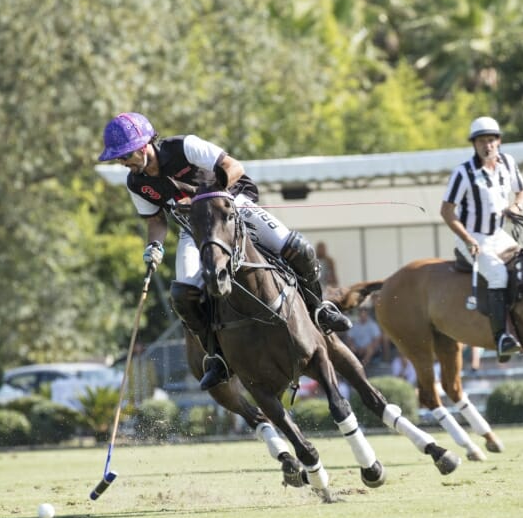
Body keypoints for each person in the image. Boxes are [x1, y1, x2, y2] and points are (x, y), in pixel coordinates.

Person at [98, 112, 351, 390]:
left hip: (230, 208)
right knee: (182, 294)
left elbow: (233, 166)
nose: (123, 163)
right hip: (193, 231)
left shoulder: (184, 147)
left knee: (297, 247)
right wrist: (154, 246)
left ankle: (320, 310)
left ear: (144, 145)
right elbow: (156, 221)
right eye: (119, 158)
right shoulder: (137, 184)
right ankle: (216, 355)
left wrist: (207, 198)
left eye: (125, 155)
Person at [440, 116, 523, 363]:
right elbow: (447, 211)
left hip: (499, 236)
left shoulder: (508, 163)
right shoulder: (463, 173)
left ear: (499, 141)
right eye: (481, 141)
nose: (487, 145)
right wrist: (468, 239)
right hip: (472, 238)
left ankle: (522, 325)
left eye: (491, 140)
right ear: (474, 145)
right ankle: (501, 338)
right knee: (499, 274)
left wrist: (517, 207)